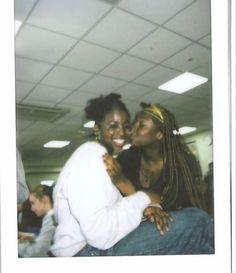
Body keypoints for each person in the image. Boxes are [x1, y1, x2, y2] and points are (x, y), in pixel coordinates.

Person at [50, 93, 214, 257]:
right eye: (113, 126)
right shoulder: (112, 158)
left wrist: (147, 205)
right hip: (90, 249)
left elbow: (146, 204)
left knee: (194, 219)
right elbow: (101, 230)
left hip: (103, 240)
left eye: (132, 125)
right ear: (97, 129)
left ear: (159, 134)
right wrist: (145, 199)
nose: (127, 131)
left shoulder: (180, 163)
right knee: (199, 222)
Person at [105, 102, 211, 217]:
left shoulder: (182, 162)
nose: (132, 129)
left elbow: (168, 204)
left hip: (174, 220)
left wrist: (122, 182)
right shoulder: (126, 158)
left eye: (141, 125)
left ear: (159, 134)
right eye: (134, 123)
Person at [18, 185, 56, 257]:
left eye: (33, 203)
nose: (32, 209)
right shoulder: (51, 217)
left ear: (45, 200)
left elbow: (36, 252)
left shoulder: (50, 220)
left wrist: (18, 244)